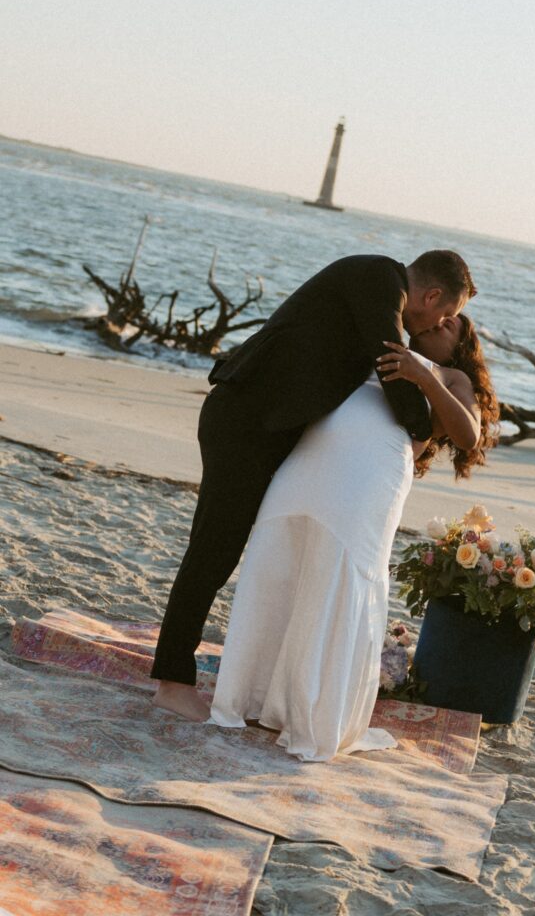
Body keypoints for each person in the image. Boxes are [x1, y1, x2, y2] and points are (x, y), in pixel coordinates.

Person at [151, 251, 475, 721]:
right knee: (213, 550)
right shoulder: (379, 278)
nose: (436, 323)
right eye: (444, 314)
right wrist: (416, 430)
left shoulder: (382, 287)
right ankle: (172, 682)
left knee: (224, 548)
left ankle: (190, 676)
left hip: (267, 429)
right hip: (243, 419)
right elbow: (390, 365)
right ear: (430, 295)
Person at [208, 311, 498, 760]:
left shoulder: (450, 375)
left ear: (462, 344)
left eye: (452, 325)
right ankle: (250, 695)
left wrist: (425, 376)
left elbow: (468, 434)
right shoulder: (384, 343)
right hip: (312, 460)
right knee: (276, 563)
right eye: (439, 318)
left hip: (371, 480)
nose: (440, 324)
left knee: (338, 581)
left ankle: (313, 712)